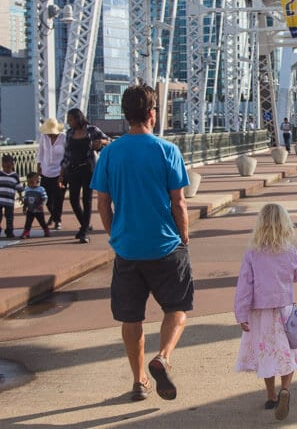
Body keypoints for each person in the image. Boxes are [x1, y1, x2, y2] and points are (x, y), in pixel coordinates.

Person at [90, 84, 192, 403]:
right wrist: (184, 236)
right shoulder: (167, 151)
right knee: (177, 309)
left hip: (127, 248)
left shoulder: (109, 152)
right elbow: (179, 202)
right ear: (151, 113)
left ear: (126, 115)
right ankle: (162, 356)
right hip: (165, 246)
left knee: (131, 318)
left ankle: (139, 380)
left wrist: (114, 234)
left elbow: (103, 203)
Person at [234, 203, 297, 421]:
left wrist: (241, 314)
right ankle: (285, 388)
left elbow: (244, 286)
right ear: (285, 224)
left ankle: (271, 395)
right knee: (286, 352)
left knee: (265, 352)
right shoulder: (289, 250)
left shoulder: (252, 254)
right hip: (284, 309)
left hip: (260, 313)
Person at [59, 108, 109, 243]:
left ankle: (84, 232)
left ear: (78, 118)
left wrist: (101, 142)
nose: (69, 123)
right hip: (73, 170)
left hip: (88, 169)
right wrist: (61, 174)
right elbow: (66, 155)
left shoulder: (92, 130)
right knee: (73, 199)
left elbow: (108, 140)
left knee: (87, 200)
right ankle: (85, 225)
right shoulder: (70, 134)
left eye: (71, 119)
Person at [37, 117, 67, 230]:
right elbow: (41, 152)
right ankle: (54, 216)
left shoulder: (63, 137)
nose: (49, 135)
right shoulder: (44, 137)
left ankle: (57, 220)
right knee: (48, 200)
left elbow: (66, 156)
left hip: (59, 172)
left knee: (58, 199)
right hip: (46, 171)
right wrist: (38, 166)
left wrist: (63, 173)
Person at [0, 154, 23, 238]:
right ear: (2, 165)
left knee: (9, 217)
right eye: (6, 166)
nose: (8, 168)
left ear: (13, 165)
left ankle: (9, 231)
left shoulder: (15, 176)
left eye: (10, 166)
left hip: (9, 201)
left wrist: (21, 197)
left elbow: (19, 187)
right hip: (0, 199)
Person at [21, 172, 49, 239]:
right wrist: (24, 207)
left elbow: (45, 198)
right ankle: (26, 232)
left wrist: (42, 204)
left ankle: (46, 230)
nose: (30, 184)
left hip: (38, 210)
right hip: (30, 210)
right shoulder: (27, 189)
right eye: (28, 182)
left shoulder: (41, 189)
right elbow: (26, 199)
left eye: (32, 182)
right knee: (28, 222)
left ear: (37, 181)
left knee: (42, 222)